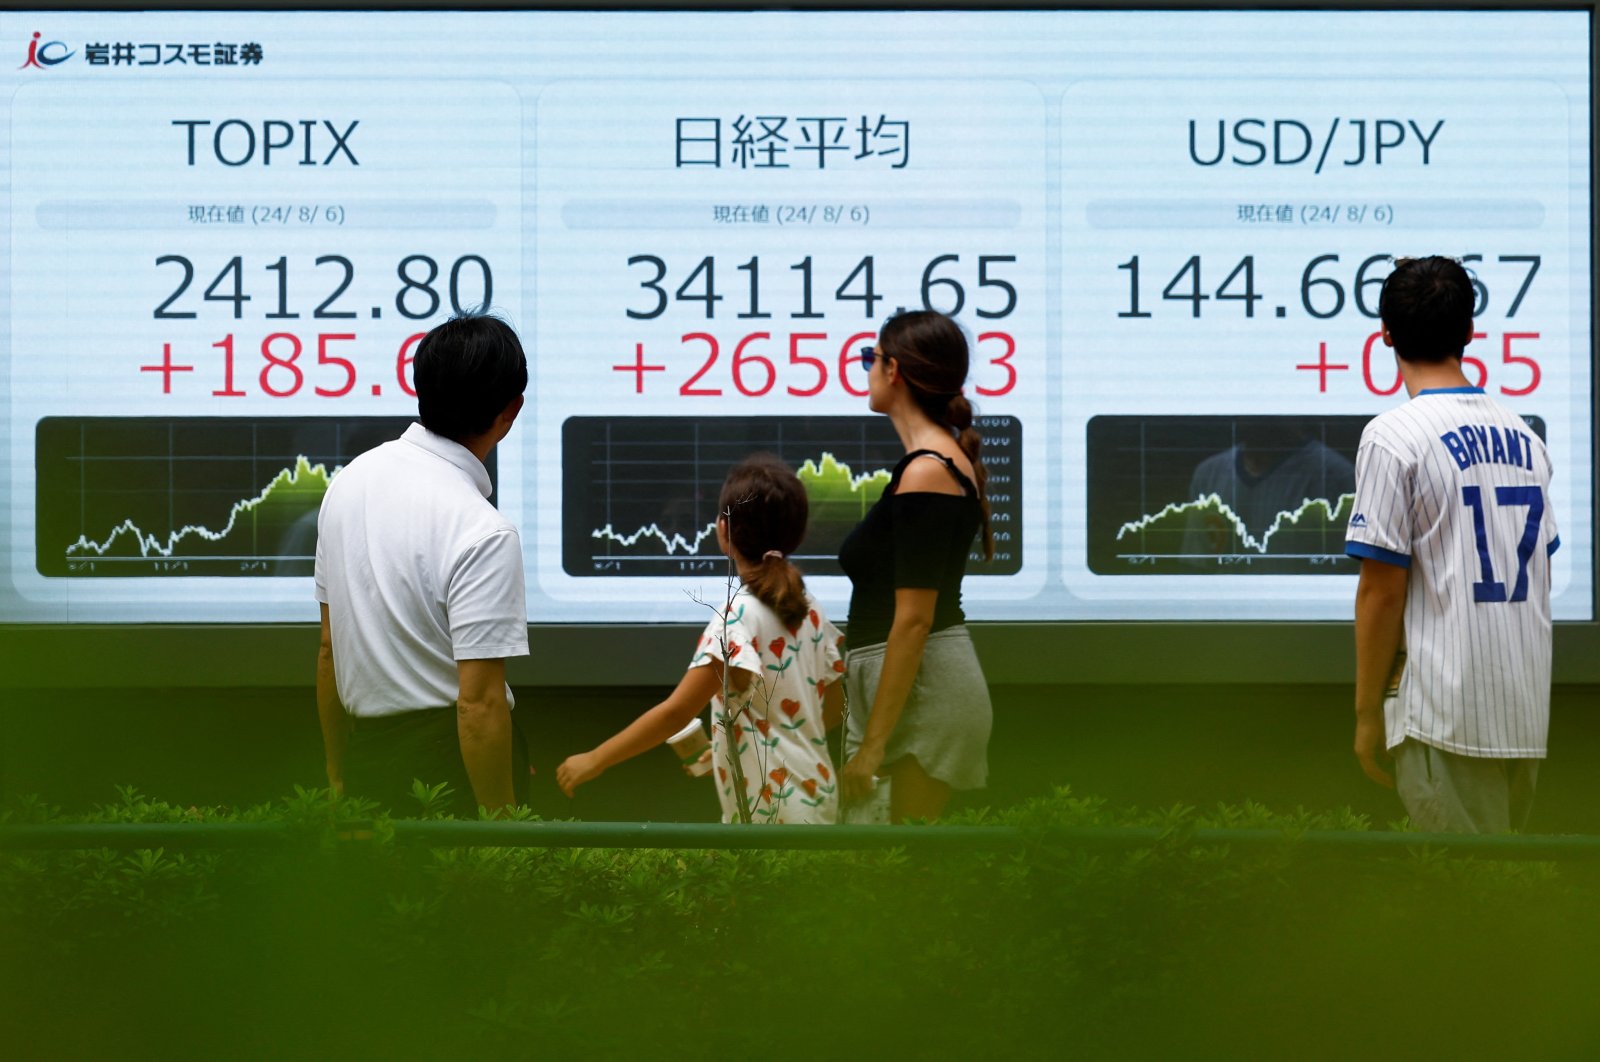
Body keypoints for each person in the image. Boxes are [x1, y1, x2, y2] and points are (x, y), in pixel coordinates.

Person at [1346, 256, 1558, 833]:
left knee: (1460, 907)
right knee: (1504, 901)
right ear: (1469, 332)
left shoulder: (1392, 437)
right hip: (1521, 713)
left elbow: (1381, 593)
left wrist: (1368, 715)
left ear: (1385, 334)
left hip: (1444, 714)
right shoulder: (1526, 437)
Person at [315, 313, 531, 816]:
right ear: (511, 410)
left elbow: (328, 652)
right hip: (451, 771)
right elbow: (478, 705)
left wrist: (337, 773)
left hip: (366, 758)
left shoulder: (346, 485)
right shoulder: (485, 529)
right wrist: (505, 832)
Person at [556, 454, 846, 824]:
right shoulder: (810, 608)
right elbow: (833, 706)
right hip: (818, 797)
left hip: (772, 817)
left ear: (724, 530)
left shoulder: (736, 618)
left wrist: (594, 760)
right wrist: (738, 747)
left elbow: (676, 712)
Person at [838, 310, 994, 822]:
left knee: (902, 873)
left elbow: (914, 619)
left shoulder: (929, 470)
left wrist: (873, 747)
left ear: (894, 371)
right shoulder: (928, 465)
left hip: (924, 695)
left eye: (871, 358)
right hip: (908, 687)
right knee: (891, 871)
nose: (867, 369)